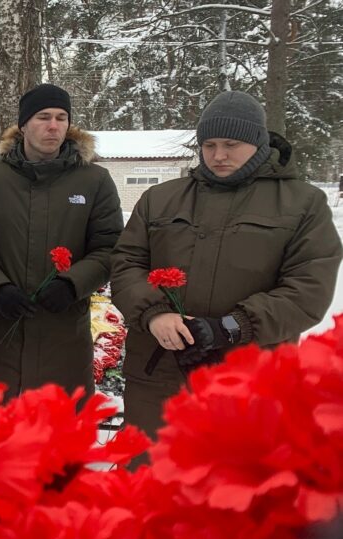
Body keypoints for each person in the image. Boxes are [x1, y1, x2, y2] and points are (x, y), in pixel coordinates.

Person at [111, 90, 342, 445]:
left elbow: (308, 288)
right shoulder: (160, 199)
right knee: (152, 469)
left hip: (250, 377)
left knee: (234, 472)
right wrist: (154, 314)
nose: (218, 155)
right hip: (160, 376)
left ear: (258, 142)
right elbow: (126, 264)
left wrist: (231, 327)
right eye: (209, 145)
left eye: (231, 144)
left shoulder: (302, 203)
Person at [0, 83, 122, 400]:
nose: (53, 126)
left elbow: (110, 247)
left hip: (63, 335)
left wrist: (72, 284)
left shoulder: (94, 180)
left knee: (58, 426)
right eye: (43, 117)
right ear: (23, 124)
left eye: (61, 118)